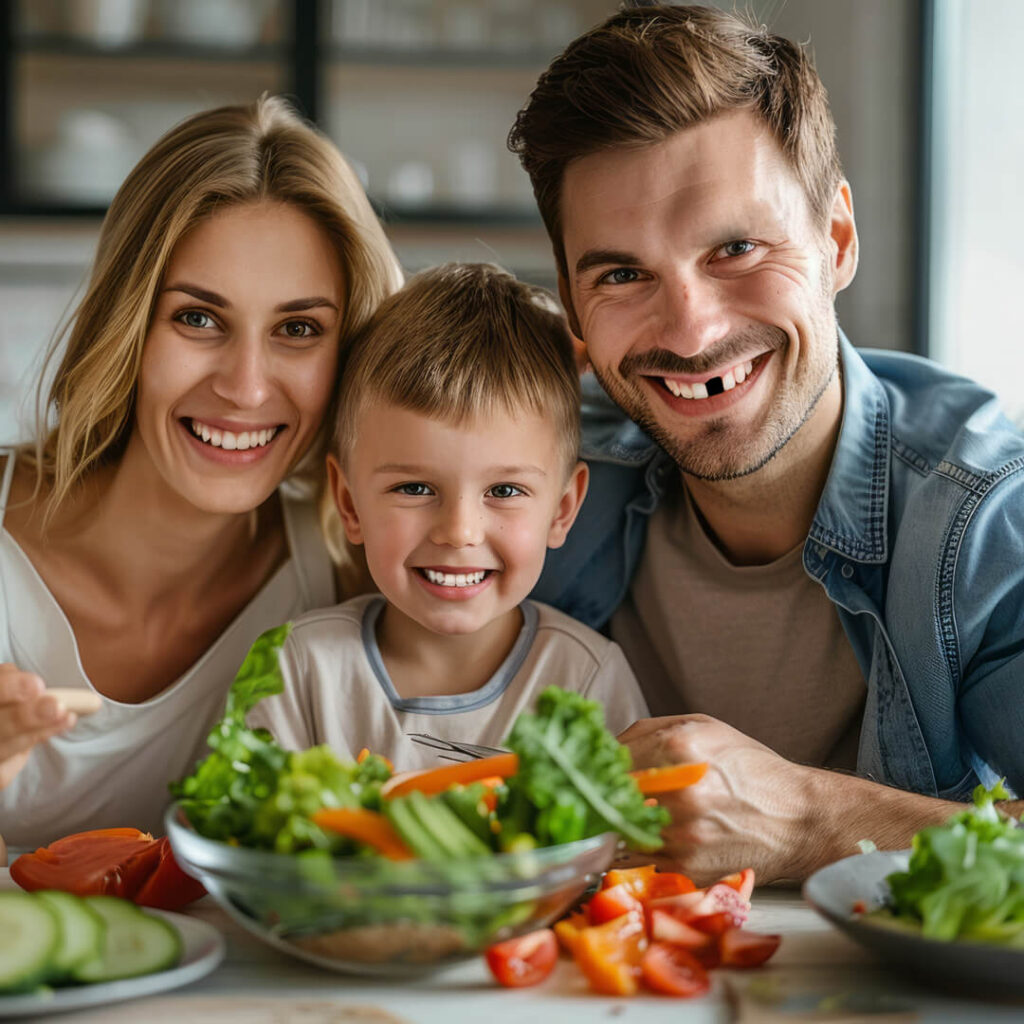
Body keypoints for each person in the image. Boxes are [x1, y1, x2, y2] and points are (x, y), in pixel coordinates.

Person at [509, 4, 1024, 883]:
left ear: (836, 239)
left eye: (737, 248)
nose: (690, 327)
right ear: (572, 305)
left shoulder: (983, 514)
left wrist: (807, 820)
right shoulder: (533, 482)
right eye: (623, 274)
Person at [0, 95, 402, 849]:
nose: (246, 387)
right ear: (128, 322)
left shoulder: (355, 584)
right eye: (198, 318)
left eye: (298, 330)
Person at [247, 263, 648, 767]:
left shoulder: (586, 678)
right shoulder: (300, 666)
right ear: (349, 503)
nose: (459, 532)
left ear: (562, 509)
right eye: (414, 488)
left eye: (504, 489)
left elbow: (629, 840)